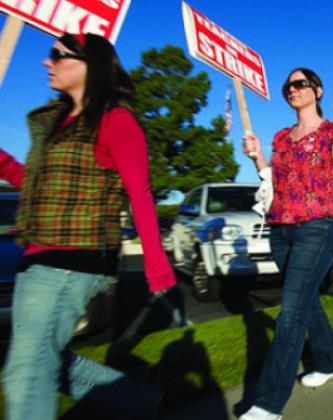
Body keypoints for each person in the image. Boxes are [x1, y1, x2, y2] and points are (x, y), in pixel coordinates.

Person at [0, 33, 175, 420]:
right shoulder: (56, 124)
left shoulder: (116, 120)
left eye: (57, 55)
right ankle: (141, 400)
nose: (47, 62)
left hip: (72, 261)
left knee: (26, 372)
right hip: (37, 256)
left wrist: (156, 261)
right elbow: (30, 180)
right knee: (45, 360)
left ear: (89, 65)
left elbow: (140, 191)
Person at [240, 68, 333, 420]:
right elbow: (273, 177)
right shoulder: (281, 137)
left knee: (291, 312)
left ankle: (267, 403)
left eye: (300, 84)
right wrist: (257, 157)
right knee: (306, 301)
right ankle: (332, 361)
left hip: (317, 228)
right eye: (288, 86)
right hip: (280, 229)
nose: (293, 90)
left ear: (317, 90)